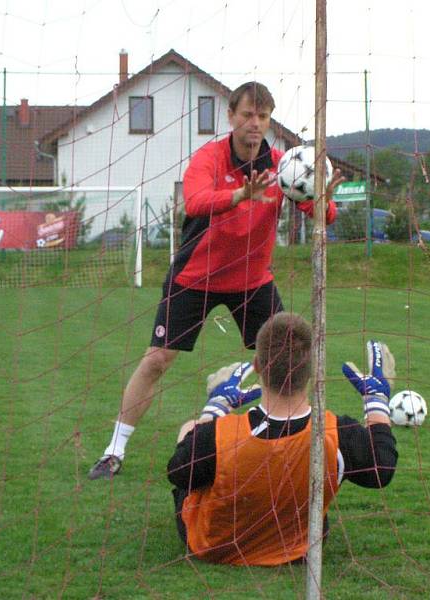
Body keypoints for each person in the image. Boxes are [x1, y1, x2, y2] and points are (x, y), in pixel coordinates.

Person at [88, 81, 346, 479]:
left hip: (252, 281)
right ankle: (114, 451)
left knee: (287, 360)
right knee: (157, 360)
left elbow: (321, 215)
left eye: (262, 117)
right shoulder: (209, 157)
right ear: (231, 116)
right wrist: (240, 196)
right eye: (247, 115)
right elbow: (194, 201)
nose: (254, 124)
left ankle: (291, 443)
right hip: (196, 277)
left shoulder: (285, 166)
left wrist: (325, 201)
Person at [167, 312, 398, 566]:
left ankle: (213, 409)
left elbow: (179, 474)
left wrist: (214, 409)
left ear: (257, 365)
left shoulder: (221, 433)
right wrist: (376, 400)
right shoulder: (336, 432)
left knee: (191, 430)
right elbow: (381, 470)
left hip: (216, 549)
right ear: (314, 368)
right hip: (297, 549)